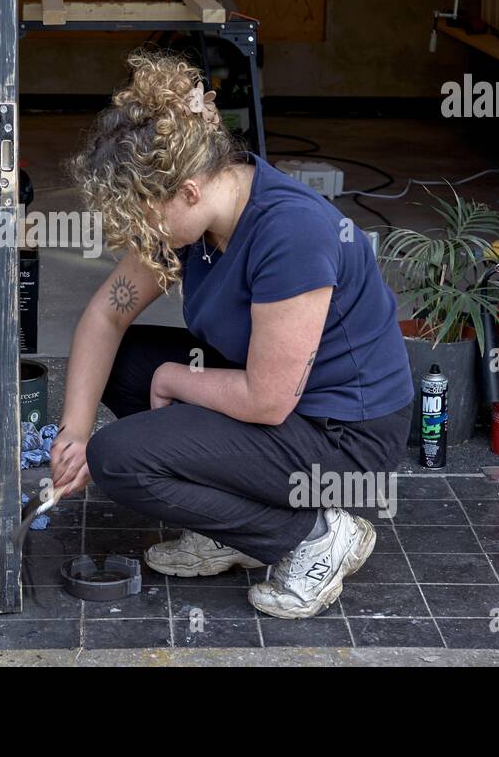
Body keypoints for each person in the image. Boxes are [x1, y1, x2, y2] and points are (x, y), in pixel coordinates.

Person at [50, 51, 414, 619]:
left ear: (188, 192)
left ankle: (313, 535)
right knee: (125, 365)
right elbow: (106, 317)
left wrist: (176, 378)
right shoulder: (199, 217)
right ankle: (231, 526)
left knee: (119, 458)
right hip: (283, 413)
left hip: (344, 443)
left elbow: (267, 401)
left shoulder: (290, 234)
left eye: (144, 214)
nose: (139, 232)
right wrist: (71, 432)